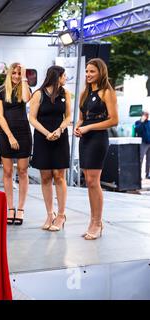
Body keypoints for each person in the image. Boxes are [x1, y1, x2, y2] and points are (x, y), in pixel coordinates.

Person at [74, 58, 118, 240]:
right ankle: (93, 221)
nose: (88, 74)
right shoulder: (85, 92)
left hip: (98, 138)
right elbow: (82, 118)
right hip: (85, 138)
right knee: (89, 181)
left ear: (101, 72)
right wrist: (78, 126)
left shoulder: (107, 92)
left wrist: (88, 127)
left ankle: (97, 222)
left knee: (94, 181)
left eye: (92, 71)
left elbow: (113, 120)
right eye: (86, 71)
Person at [29, 66, 71, 232]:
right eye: (64, 75)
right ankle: (49, 214)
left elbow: (68, 116)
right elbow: (32, 118)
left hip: (60, 136)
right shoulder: (38, 94)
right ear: (57, 76)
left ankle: (61, 215)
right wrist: (47, 133)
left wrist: (59, 130)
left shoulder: (65, 93)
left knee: (59, 176)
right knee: (45, 176)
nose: (66, 78)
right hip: (42, 137)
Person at [0, 63, 31, 225]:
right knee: (8, 172)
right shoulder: (0, 91)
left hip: (23, 133)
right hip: (6, 134)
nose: (16, 76)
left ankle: (21, 208)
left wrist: (24, 78)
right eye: (14, 73)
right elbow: (0, 117)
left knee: (23, 171)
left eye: (19, 73)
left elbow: (26, 99)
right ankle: (10, 207)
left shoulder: (24, 87)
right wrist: (9, 136)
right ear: (9, 74)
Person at [134, 110, 150, 179]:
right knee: (141, 159)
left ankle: (147, 174)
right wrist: (142, 122)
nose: (147, 116)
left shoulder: (149, 123)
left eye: (147, 115)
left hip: (149, 143)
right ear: (142, 115)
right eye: (145, 114)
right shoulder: (138, 122)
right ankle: (138, 175)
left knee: (149, 160)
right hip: (143, 143)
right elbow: (137, 130)